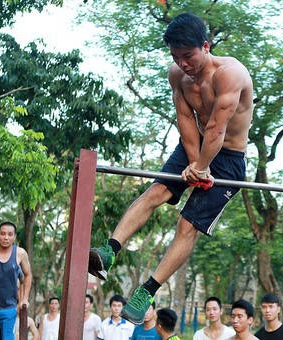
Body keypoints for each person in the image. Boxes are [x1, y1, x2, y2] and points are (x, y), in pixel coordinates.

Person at [88, 11, 254, 325]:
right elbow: (185, 120)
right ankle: (109, 250)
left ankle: (147, 291)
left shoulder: (230, 74)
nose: (183, 64)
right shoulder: (177, 75)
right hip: (195, 146)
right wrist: (194, 163)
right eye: (176, 57)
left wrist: (203, 169)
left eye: (188, 56)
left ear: (205, 46)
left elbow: (218, 129)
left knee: (186, 225)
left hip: (228, 156)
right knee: (157, 191)